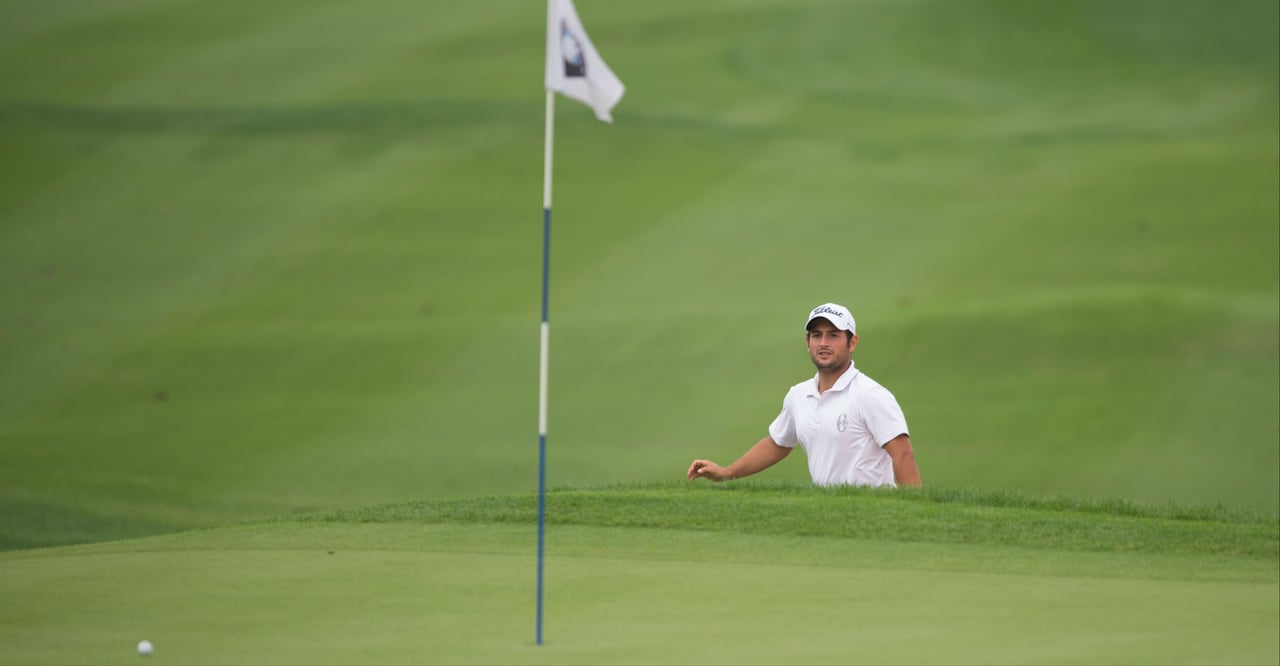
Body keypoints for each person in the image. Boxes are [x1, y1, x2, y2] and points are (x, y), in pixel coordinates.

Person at [687, 303, 921, 488]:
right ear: (807, 342)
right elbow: (778, 442)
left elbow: (902, 454)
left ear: (852, 342)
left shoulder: (870, 395)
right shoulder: (798, 395)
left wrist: (913, 514)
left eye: (833, 335)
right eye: (816, 335)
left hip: (873, 512)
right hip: (826, 512)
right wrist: (727, 473)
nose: (823, 343)